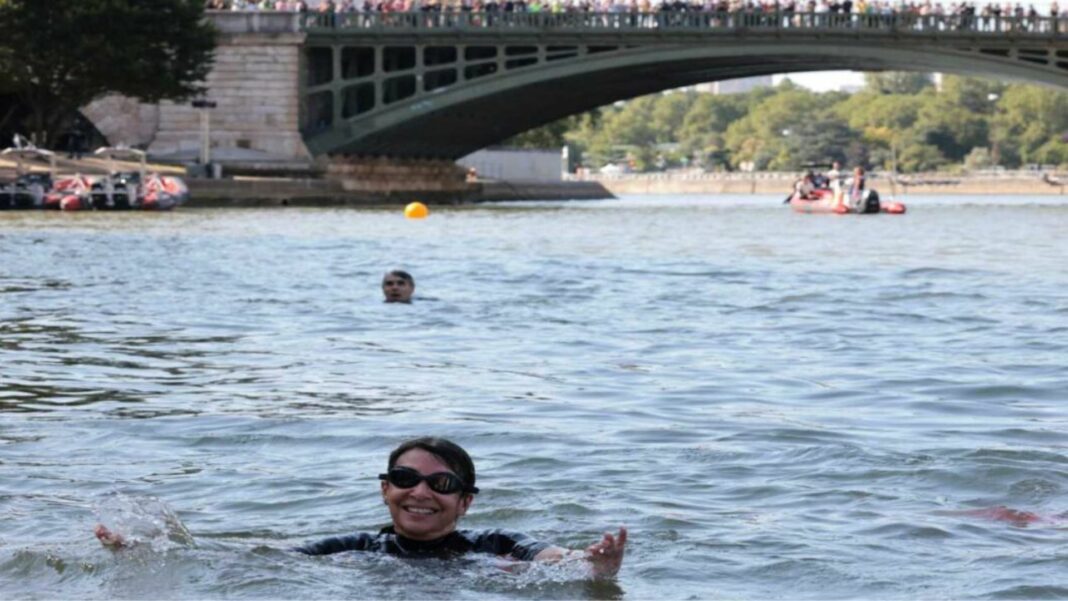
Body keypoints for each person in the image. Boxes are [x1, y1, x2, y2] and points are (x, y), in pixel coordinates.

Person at [96, 437, 628, 580]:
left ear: (465, 503)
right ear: (384, 490)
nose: (419, 492)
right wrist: (156, 548)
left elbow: (551, 557)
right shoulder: (354, 548)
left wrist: (593, 564)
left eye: (440, 483)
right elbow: (257, 559)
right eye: (404, 479)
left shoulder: (494, 546)